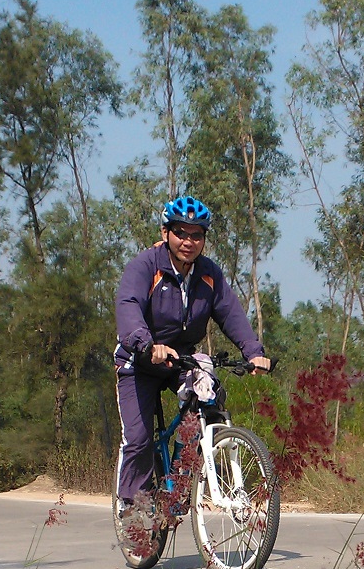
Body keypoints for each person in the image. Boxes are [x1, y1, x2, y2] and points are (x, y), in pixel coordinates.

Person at [113, 196, 271, 508]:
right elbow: (128, 306)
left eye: (196, 235)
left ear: (204, 239)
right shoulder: (145, 266)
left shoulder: (209, 274)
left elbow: (231, 313)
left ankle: (181, 479)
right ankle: (132, 508)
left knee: (207, 396)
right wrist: (147, 344)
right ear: (165, 233)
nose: (188, 241)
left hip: (181, 359)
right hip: (139, 359)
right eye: (180, 233)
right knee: (139, 439)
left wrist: (253, 352)